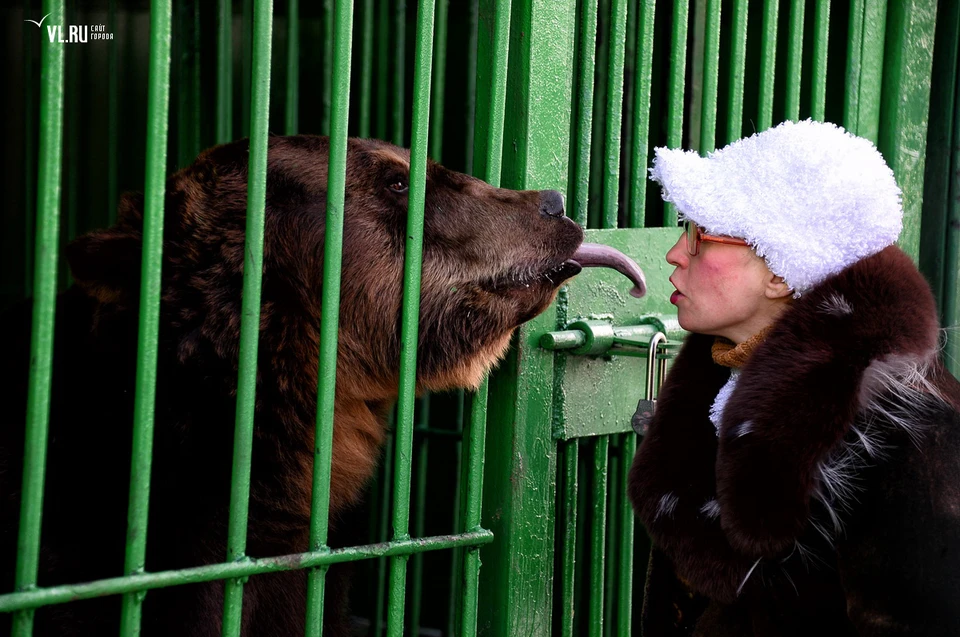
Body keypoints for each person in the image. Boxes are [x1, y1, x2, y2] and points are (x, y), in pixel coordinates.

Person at [628, 119, 960, 636]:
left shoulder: (907, 432)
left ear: (781, 270)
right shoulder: (725, 378)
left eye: (701, 237)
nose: (675, 253)